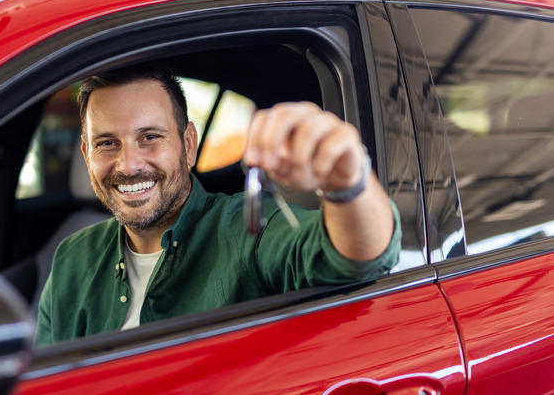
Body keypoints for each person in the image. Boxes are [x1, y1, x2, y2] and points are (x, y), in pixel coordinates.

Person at [35, 64, 400, 346]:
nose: (128, 164)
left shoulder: (246, 228)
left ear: (189, 144)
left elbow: (356, 259)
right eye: (107, 143)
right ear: (86, 154)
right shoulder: (71, 259)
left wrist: (346, 182)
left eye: (150, 137)